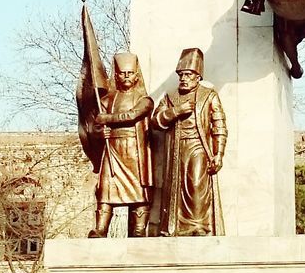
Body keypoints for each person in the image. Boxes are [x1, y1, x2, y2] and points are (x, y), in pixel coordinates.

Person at [153, 48, 227, 235]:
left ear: (197, 76)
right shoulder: (170, 97)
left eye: (188, 74)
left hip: (198, 147)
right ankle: (173, 227)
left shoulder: (209, 96)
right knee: (173, 189)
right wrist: (176, 111)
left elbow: (219, 127)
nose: (184, 78)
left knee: (195, 186)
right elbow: (155, 121)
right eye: (181, 75)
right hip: (175, 147)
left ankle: (198, 227)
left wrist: (218, 154)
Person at [88, 53, 156, 237]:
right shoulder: (108, 100)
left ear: (136, 75)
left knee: (139, 190)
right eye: (122, 73)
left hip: (134, 150)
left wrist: (107, 118)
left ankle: (139, 228)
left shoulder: (145, 100)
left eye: (130, 73)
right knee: (105, 189)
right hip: (114, 149)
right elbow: (93, 127)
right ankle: (101, 228)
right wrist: (100, 133)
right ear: (116, 75)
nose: (126, 76)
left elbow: (132, 115)